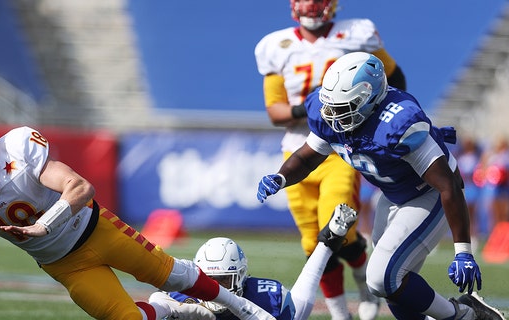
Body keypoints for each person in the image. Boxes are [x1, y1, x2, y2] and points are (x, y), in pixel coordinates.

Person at [0, 106, 277, 320]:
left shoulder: (18, 147)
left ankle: (241, 307)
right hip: (64, 265)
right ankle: (175, 311)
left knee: (167, 275)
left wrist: (45, 225)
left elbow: (80, 188)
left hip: (95, 229)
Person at [256, 52, 505, 319]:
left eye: (344, 108)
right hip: (393, 194)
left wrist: (463, 252)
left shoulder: (397, 123)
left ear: (370, 99)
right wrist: (281, 177)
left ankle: (467, 315)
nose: (334, 117)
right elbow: (307, 158)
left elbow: (448, 185)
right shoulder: (331, 116)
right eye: (332, 107)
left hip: (427, 195)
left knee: (381, 277)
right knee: (393, 282)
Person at [253, 1, 406, 318]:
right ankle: (339, 312)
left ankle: (365, 287)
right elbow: (275, 111)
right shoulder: (276, 46)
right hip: (297, 148)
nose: (309, 4)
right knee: (312, 243)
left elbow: (392, 78)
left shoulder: (355, 34)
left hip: (340, 147)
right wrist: (312, 108)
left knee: (341, 231)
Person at [153, 203, 360, 320]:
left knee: (295, 314)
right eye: (209, 279)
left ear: (240, 276)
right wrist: (173, 309)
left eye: (223, 280)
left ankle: (327, 243)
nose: (214, 288)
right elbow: (155, 304)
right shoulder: (179, 296)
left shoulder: (265, 296)